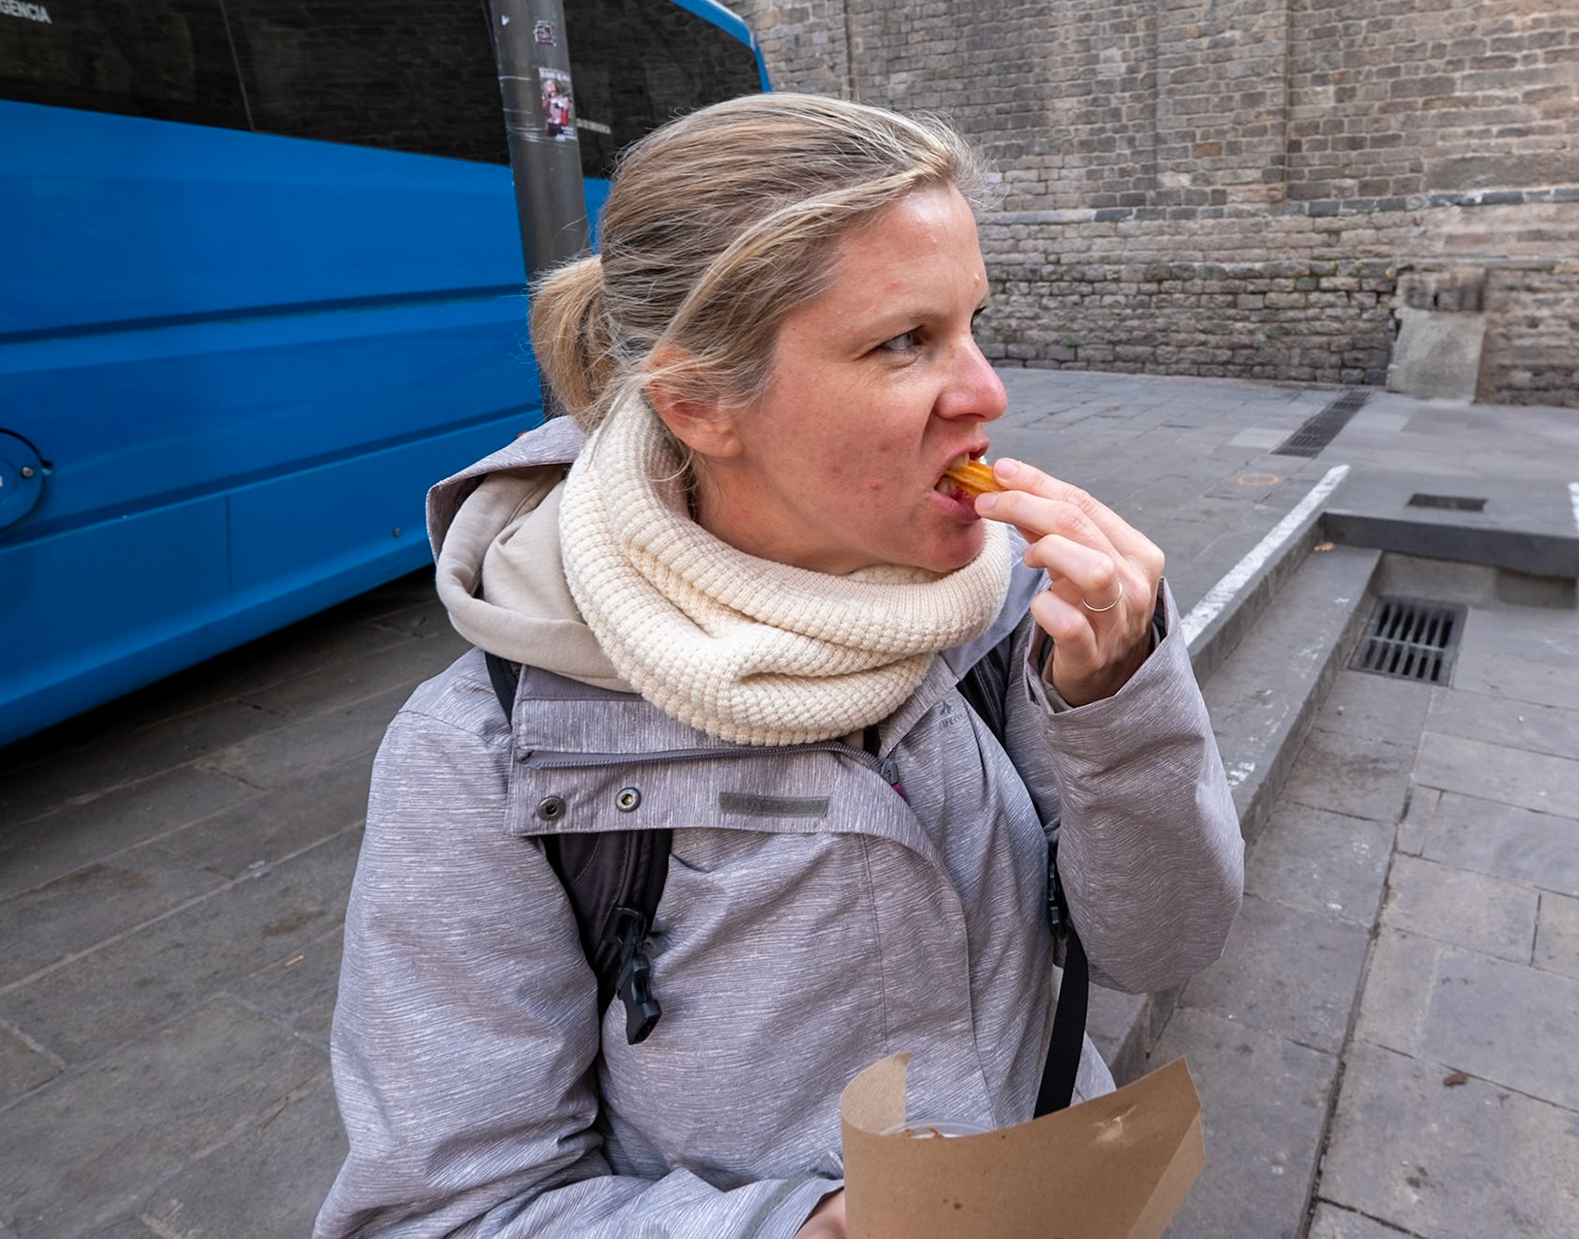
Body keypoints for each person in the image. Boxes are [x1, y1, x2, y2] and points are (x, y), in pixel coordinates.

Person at [315, 92, 1242, 1239]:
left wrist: (1121, 701)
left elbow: (1166, 945)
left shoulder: (1006, 615)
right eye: (904, 342)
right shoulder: (488, 754)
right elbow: (444, 1212)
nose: (989, 393)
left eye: (973, 322)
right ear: (699, 403)